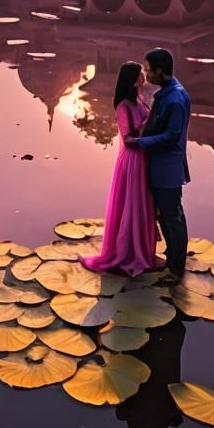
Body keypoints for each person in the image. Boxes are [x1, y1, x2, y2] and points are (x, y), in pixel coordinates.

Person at [80, 62, 158, 278]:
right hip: (132, 160)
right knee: (131, 207)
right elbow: (128, 138)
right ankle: (128, 254)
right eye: (141, 76)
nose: (144, 79)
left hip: (143, 159)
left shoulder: (140, 101)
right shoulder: (124, 106)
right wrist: (148, 125)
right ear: (132, 80)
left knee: (143, 206)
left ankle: (143, 251)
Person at [126, 47, 190, 281]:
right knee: (166, 215)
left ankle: (176, 267)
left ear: (160, 71)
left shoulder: (174, 99)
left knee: (172, 216)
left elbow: (172, 136)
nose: (146, 73)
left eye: (149, 69)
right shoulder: (167, 92)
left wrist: (140, 142)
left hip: (167, 167)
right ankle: (173, 257)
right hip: (161, 165)